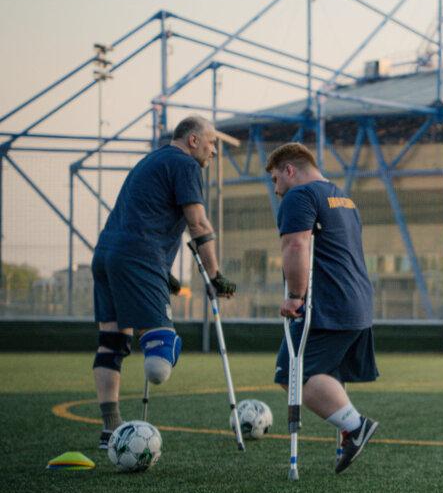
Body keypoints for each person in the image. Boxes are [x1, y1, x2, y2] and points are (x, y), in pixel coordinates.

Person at [92, 115, 235, 449]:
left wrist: (162, 270)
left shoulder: (152, 160)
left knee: (112, 342)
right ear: (193, 140)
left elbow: (143, 214)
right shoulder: (185, 165)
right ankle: (119, 429)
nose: (214, 151)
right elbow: (198, 224)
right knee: (159, 363)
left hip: (106, 255)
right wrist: (215, 276)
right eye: (211, 142)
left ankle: (110, 429)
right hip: (138, 258)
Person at [266, 142, 379, 473]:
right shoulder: (342, 197)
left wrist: (295, 297)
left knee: (291, 374)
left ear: (290, 170)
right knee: (327, 373)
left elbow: (296, 243)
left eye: (276, 179)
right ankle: (350, 430)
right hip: (357, 301)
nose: (276, 189)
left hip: (329, 305)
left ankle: (355, 426)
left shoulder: (300, 197)